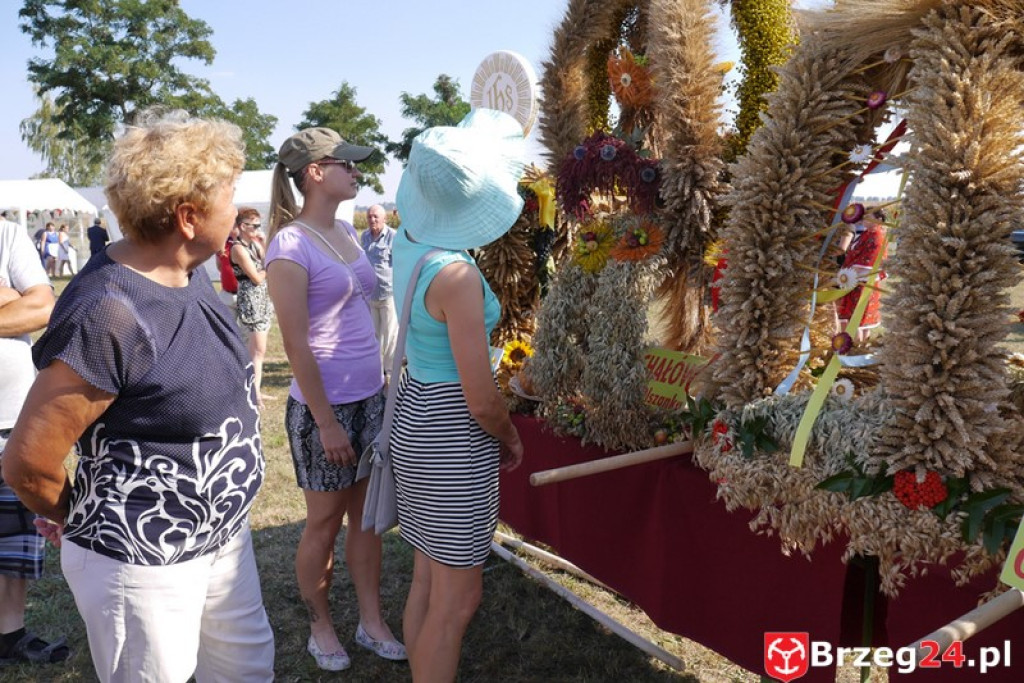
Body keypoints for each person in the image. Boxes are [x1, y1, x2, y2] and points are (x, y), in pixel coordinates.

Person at [1, 110, 275, 682]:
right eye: (229, 194)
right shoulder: (108, 312)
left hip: (221, 538)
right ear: (188, 216)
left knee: (246, 673)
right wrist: (75, 514)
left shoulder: (187, 271)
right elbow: (28, 462)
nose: (237, 207)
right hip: (142, 565)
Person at [390, 108, 525, 682]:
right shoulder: (458, 276)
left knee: (428, 575)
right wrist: (512, 437)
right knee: (458, 598)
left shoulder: (408, 237)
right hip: (450, 431)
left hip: (415, 416)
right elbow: (481, 399)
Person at [266, 127, 405, 672]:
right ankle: (320, 626)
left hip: (369, 397)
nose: (356, 171)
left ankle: (370, 622)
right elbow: (295, 344)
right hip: (324, 410)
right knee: (323, 522)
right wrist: (325, 423)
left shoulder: (346, 231)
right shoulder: (289, 245)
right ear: (315, 172)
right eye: (344, 163)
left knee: (365, 520)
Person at [0, 216, 66, 666]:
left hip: (11, 416)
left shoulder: (5, 232)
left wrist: (24, 301)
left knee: (12, 541)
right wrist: (10, 299)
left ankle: (10, 635)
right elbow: (25, 304)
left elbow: (44, 308)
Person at [230, 208, 274, 407]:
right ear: (242, 226)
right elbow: (256, 277)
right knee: (257, 349)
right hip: (251, 300)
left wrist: (263, 245)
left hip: (262, 299)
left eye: (259, 225)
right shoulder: (238, 248)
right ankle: (253, 393)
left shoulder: (254, 246)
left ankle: (256, 390)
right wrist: (269, 268)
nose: (258, 229)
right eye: (254, 225)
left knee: (259, 350)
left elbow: (266, 263)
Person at [836, 206, 888, 342]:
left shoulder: (876, 235)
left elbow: (868, 261)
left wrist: (844, 276)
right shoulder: (868, 233)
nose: (864, 219)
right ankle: (860, 348)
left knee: (858, 321)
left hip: (863, 283)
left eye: (868, 217)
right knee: (858, 321)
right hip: (856, 281)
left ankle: (856, 349)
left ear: (878, 219)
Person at [361, 204, 398, 377]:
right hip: (370, 295)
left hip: (388, 293)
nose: (372, 220)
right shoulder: (365, 236)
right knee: (373, 335)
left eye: (376, 217)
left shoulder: (393, 237)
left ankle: (389, 372)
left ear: (385, 218)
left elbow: (399, 264)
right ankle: (375, 370)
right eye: (369, 217)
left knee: (390, 336)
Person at [217, 220, 240, 312]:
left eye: (232, 226)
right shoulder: (223, 244)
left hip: (244, 293)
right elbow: (220, 266)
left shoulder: (248, 243)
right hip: (227, 294)